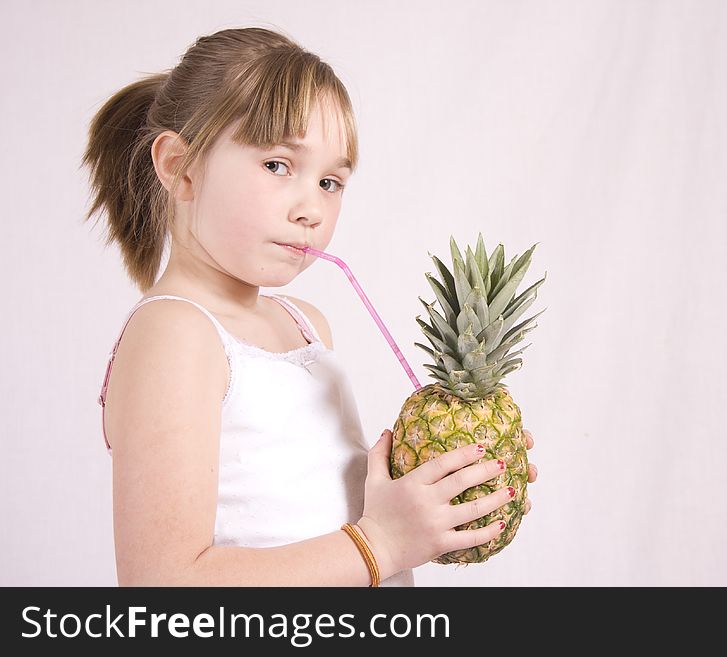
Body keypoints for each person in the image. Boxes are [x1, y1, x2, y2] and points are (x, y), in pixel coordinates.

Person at [82, 26, 538, 586]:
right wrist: (384, 542)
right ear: (180, 166)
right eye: (277, 165)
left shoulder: (304, 324)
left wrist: (440, 486)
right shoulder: (175, 333)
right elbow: (162, 583)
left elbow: (308, 506)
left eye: (330, 181)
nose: (311, 209)